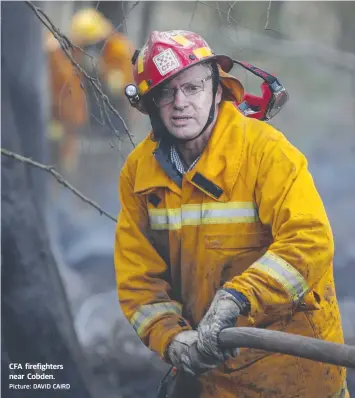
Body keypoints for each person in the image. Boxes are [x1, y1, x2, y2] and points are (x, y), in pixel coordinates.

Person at [114, 30, 348, 398]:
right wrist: (172, 338)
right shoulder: (139, 175)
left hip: (296, 374)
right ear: (150, 104)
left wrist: (236, 298)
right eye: (166, 92)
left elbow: (311, 240)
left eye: (192, 88)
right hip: (213, 380)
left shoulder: (265, 152)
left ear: (217, 90)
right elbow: (138, 279)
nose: (180, 103)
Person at [46, 8, 134, 173]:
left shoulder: (119, 49)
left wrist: (102, 71)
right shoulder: (75, 51)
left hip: (113, 115)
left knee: (104, 167)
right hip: (86, 116)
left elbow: (122, 86)